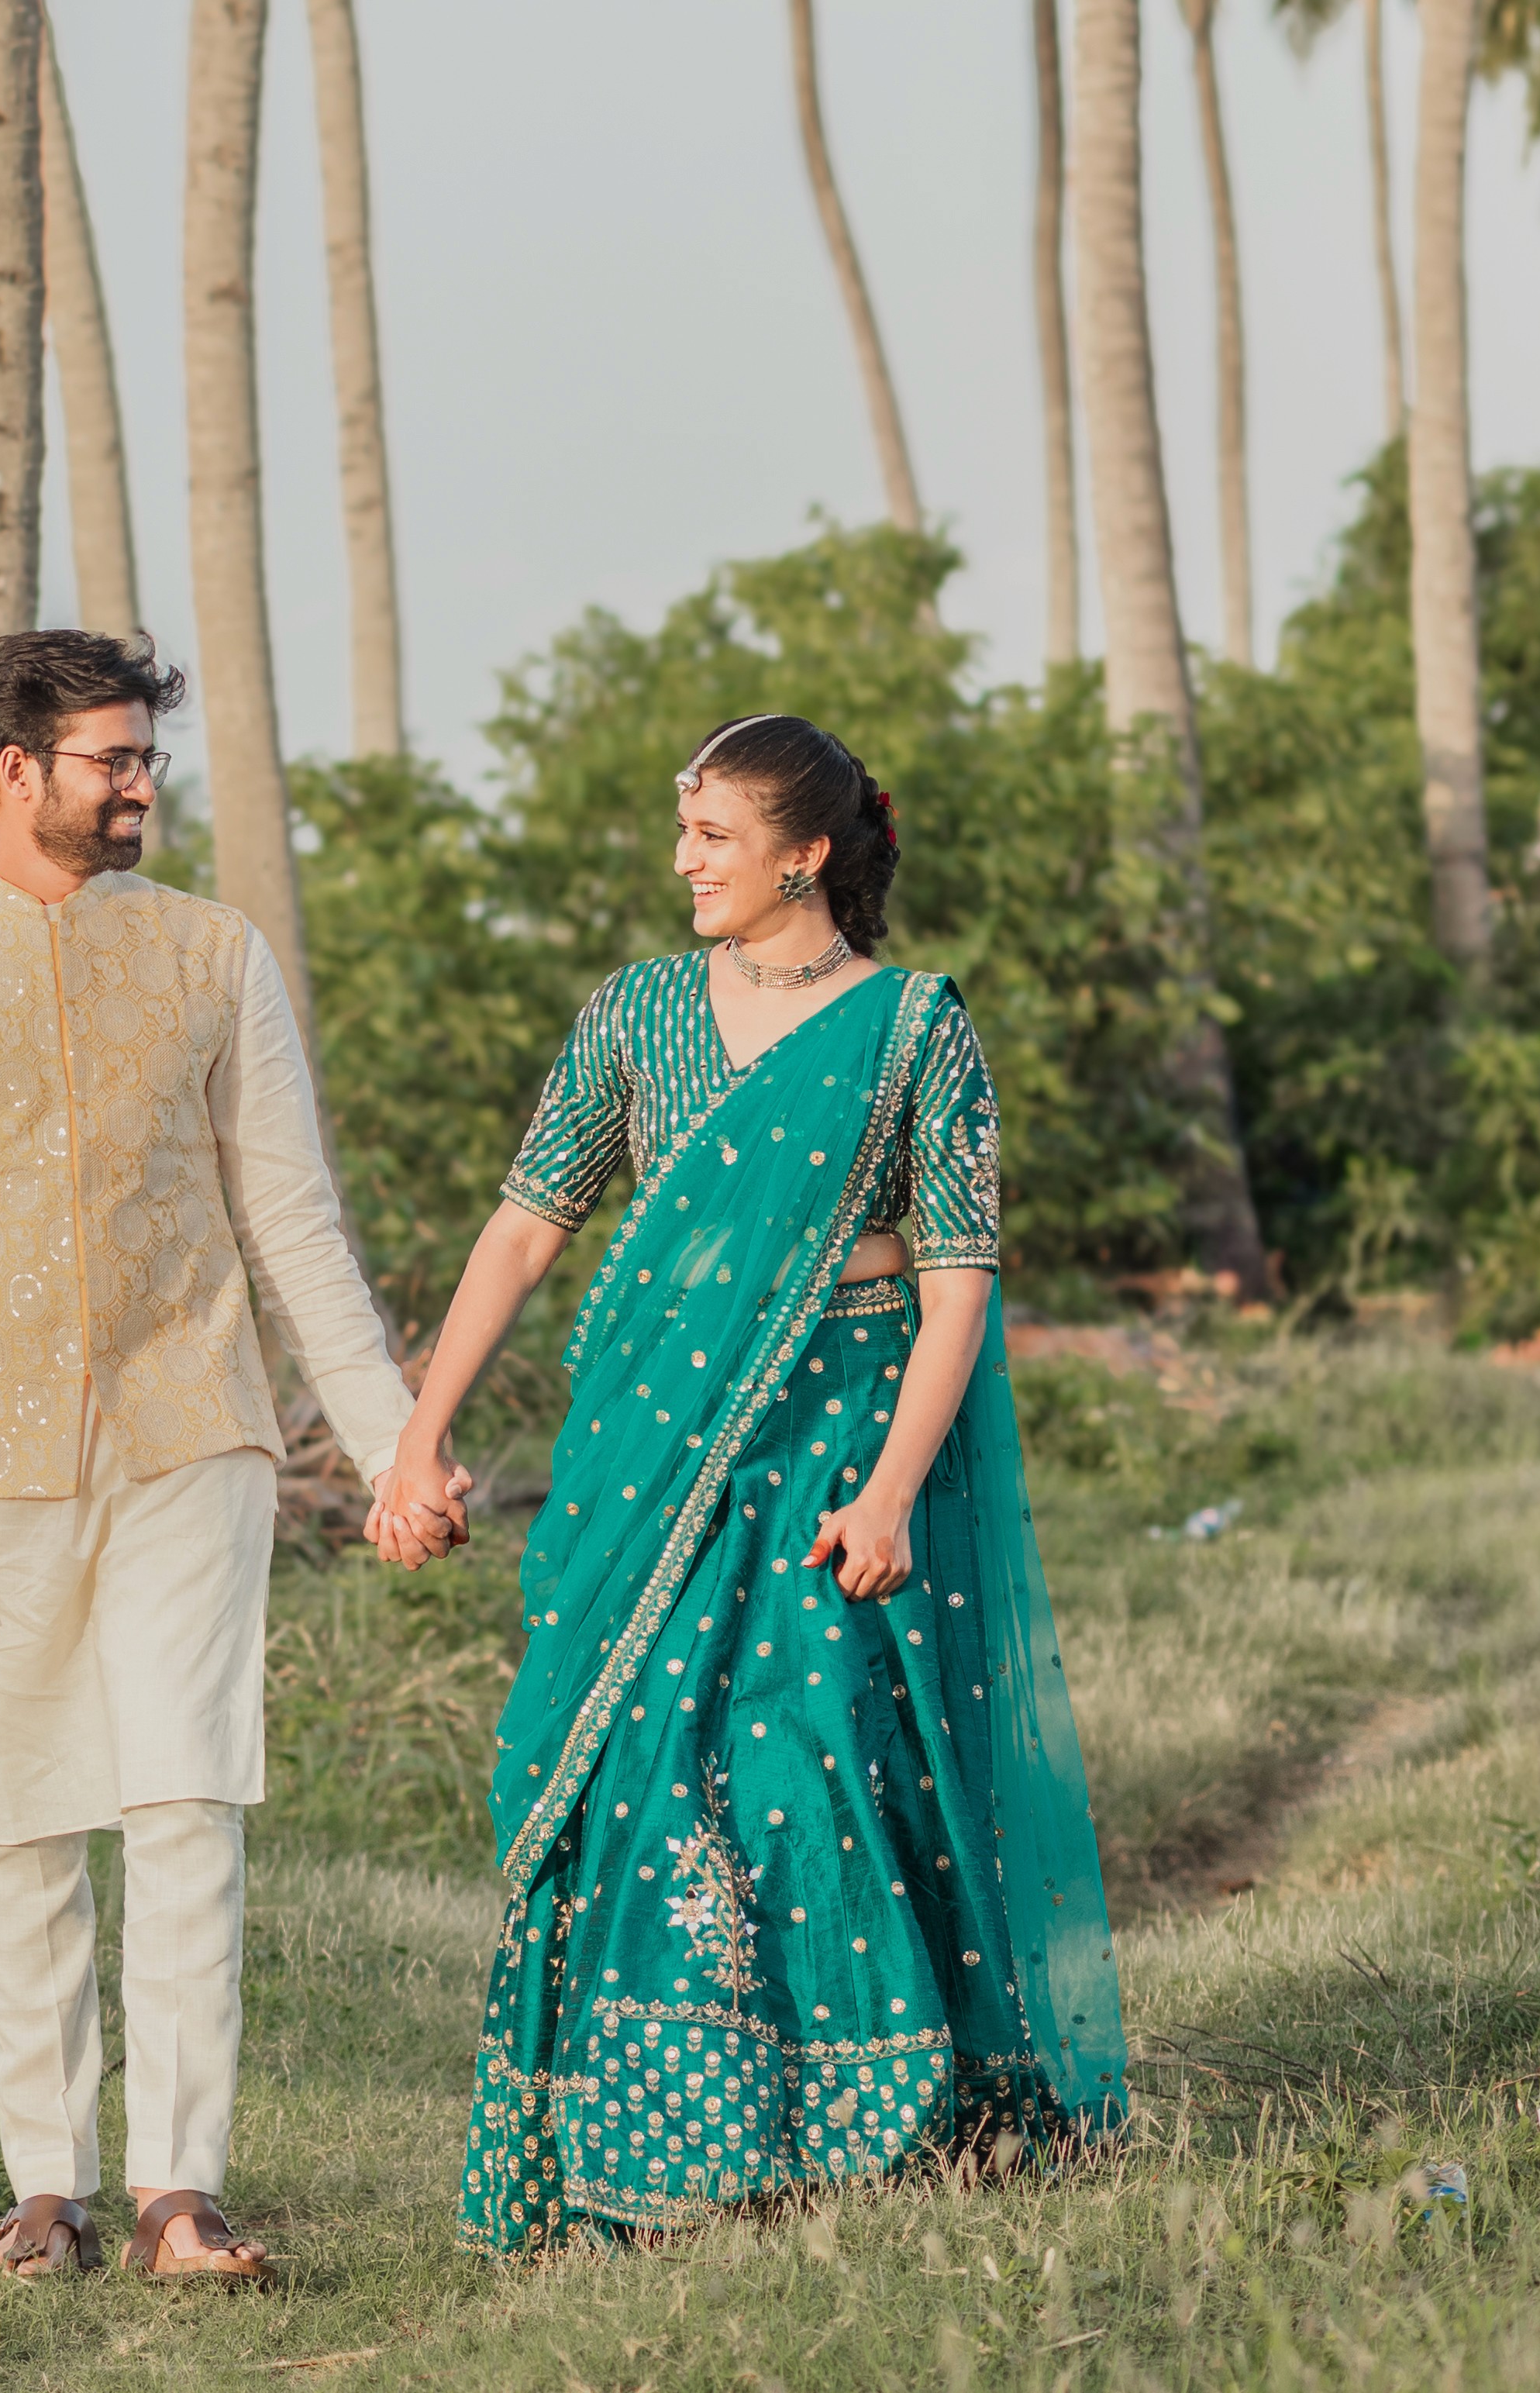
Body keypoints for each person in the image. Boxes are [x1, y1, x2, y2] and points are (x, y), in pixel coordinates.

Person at [369, 715, 1126, 2251]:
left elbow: (959, 1281)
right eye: (685, 830)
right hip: (652, 1442)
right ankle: (657, 2137)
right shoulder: (639, 1011)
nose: (684, 861)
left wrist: (894, 1489)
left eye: (713, 834)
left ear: (808, 852)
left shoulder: (913, 1027)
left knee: (810, 1755)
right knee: (638, 1759)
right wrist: (417, 1428)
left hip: (842, 1433)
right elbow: (527, 1223)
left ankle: (868, 2125)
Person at [0, 629, 446, 2285]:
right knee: (20, 1824)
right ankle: (46, 2187)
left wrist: (392, 1446)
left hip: (186, 1430)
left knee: (184, 1799)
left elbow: (291, 1216)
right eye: (115, 759)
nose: (144, 783)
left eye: (148, 755)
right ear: (17, 771)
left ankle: (179, 2194)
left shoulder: (216, 955)